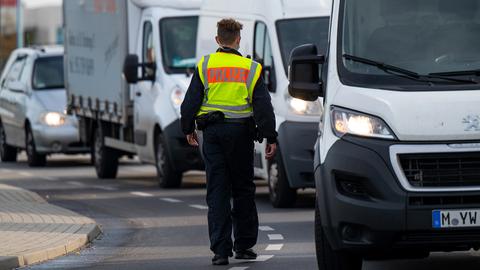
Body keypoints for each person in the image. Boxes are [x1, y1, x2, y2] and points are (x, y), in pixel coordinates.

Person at [180, 18, 278, 266]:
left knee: (217, 191)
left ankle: (220, 252)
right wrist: (270, 136)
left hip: (212, 136)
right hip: (241, 135)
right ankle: (244, 246)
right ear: (238, 40)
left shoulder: (205, 65)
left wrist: (187, 128)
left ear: (217, 40)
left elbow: (190, 102)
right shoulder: (251, 68)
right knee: (243, 189)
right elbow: (263, 106)